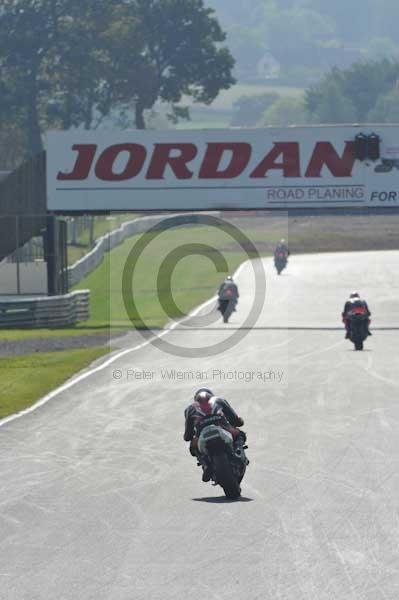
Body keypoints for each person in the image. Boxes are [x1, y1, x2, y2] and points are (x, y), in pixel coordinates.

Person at [184, 388, 245, 482]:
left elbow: (188, 434)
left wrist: (189, 437)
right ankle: (238, 452)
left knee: (193, 447)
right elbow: (234, 418)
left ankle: (205, 464)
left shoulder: (190, 409)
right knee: (240, 434)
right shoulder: (219, 400)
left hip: (202, 433)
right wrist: (239, 422)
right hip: (223, 427)